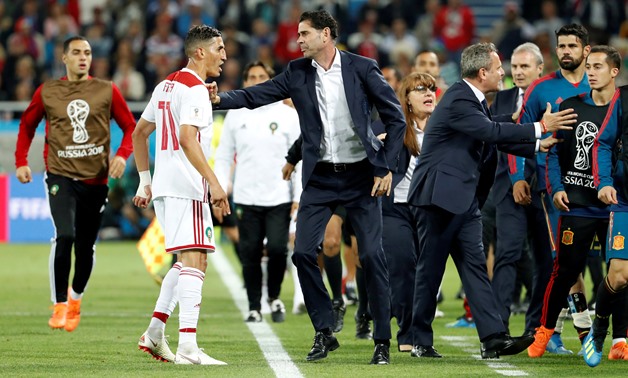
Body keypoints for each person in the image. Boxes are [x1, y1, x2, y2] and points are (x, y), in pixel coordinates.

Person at [210, 10, 406, 365]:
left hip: (362, 176)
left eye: (304, 34)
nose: (297, 40)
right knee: (302, 253)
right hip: (320, 178)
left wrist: (387, 167)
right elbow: (259, 95)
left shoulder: (362, 68)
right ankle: (324, 330)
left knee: (372, 257)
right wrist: (221, 100)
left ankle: (381, 339)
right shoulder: (297, 72)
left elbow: (396, 118)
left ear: (325, 34)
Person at [406, 42, 577, 359]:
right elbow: (490, 132)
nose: (505, 73)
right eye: (499, 68)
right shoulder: (459, 98)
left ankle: (493, 337)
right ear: (483, 72)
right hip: (438, 199)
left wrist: (531, 137)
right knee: (430, 271)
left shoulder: (472, 100)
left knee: (475, 270)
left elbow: (493, 126)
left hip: (463, 201)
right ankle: (419, 339)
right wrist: (540, 127)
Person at [14, 35, 136, 332]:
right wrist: (21, 161)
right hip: (60, 175)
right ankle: (58, 305)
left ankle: (75, 298)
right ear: (64, 58)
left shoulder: (106, 90)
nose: (84, 57)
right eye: (77, 53)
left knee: (85, 247)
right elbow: (27, 124)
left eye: (88, 53)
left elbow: (131, 126)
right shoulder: (49, 91)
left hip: (96, 180)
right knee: (64, 235)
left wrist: (122, 155)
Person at [133, 25, 230, 365]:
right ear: (200, 52)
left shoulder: (167, 85)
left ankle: (155, 332)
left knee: (192, 260)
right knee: (193, 261)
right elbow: (188, 138)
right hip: (187, 186)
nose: (225, 55)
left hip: (167, 186)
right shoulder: (195, 91)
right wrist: (214, 183)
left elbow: (139, 133)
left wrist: (145, 180)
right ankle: (188, 347)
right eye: (219, 48)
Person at [489, 42, 571, 352]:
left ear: (540, 69)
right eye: (515, 66)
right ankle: (497, 330)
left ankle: (538, 330)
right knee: (508, 254)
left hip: (546, 189)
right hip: (509, 189)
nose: (518, 72)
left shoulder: (551, 96)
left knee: (547, 260)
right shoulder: (499, 100)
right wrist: (516, 179)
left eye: (526, 66)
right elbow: (496, 140)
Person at [522, 24, 594, 357]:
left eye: (571, 46)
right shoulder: (540, 90)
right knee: (565, 262)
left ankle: (602, 328)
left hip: (602, 191)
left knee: (611, 264)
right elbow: (521, 135)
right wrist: (518, 178)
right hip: (556, 191)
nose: (565, 51)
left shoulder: (602, 87)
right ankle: (576, 333)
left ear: (587, 50)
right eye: (561, 45)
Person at [214, 60, 301, 323]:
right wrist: (221, 187)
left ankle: (274, 297)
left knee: (277, 249)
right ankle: (254, 305)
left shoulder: (287, 115)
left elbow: (300, 158)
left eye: (261, 76)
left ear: (272, 80)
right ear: (245, 82)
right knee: (249, 252)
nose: (256, 81)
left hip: (279, 195)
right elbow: (224, 155)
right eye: (251, 77)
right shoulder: (236, 114)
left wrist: (298, 195)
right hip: (245, 196)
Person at [573, 46, 628, 367]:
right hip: (623, 197)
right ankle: (600, 324)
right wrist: (604, 181)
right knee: (619, 275)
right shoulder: (622, 101)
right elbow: (603, 142)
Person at [379, 72, 436, 352]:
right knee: (402, 267)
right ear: (407, 100)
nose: (429, 93)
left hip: (430, 210)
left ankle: (418, 330)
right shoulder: (395, 127)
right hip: (396, 209)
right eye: (420, 89)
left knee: (426, 274)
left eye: (431, 89)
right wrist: (377, 143)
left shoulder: (444, 128)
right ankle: (407, 333)